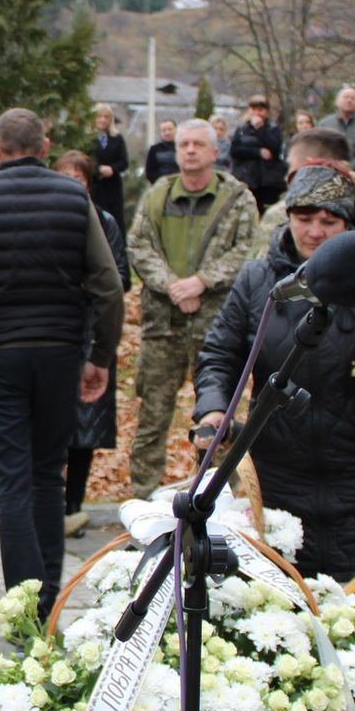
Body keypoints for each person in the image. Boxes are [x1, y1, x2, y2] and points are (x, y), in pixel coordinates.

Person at [195, 167, 355, 578]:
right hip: (281, 474)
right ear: (287, 218)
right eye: (304, 219)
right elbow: (221, 353)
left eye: (328, 222)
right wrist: (213, 409)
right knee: (282, 613)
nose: (314, 232)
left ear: (349, 224)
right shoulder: (259, 279)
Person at [0, 107, 124, 614]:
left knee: (11, 478)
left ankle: (23, 603)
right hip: (60, 351)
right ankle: (49, 597)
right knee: (50, 473)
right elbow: (108, 285)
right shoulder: (75, 196)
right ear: (45, 148)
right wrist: (100, 357)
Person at [127, 119, 261, 500]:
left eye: (198, 144)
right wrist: (172, 284)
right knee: (152, 415)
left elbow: (247, 250)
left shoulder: (237, 198)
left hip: (217, 322)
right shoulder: (158, 194)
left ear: (214, 153)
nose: (189, 150)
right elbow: (139, 246)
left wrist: (201, 281)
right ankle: (143, 497)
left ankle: (225, 499)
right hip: (163, 322)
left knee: (217, 416)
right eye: (183, 144)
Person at [51, 151, 128, 534]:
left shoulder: (105, 221)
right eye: (64, 178)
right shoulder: (47, 216)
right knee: (53, 424)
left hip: (93, 329)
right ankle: (50, 502)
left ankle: (74, 505)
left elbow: (118, 276)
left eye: (78, 180)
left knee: (86, 427)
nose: (72, 186)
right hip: (56, 326)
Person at [228, 94, 287, 214]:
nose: (257, 113)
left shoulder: (273, 129)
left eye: (260, 110)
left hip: (268, 181)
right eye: (254, 109)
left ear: (266, 111)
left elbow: (275, 148)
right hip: (247, 178)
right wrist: (257, 152)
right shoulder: (242, 130)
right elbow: (235, 151)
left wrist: (260, 129)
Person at [87, 103, 128, 228]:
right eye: (99, 116)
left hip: (112, 186)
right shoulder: (87, 138)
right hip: (94, 184)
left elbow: (124, 162)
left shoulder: (117, 138)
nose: (103, 120)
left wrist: (112, 169)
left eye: (106, 117)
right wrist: (97, 169)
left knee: (114, 219)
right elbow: (83, 159)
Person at [142, 119, 179, 186]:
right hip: (161, 186)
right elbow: (149, 172)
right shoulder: (154, 149)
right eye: (164, 130)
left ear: (176, 129)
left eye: (170, 129)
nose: (167, 132)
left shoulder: (183, 147)